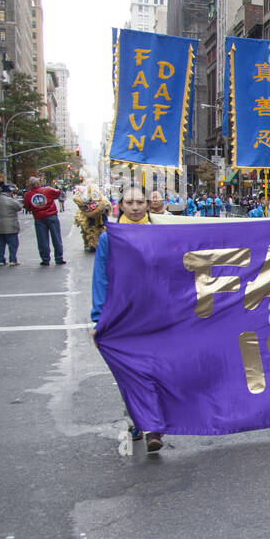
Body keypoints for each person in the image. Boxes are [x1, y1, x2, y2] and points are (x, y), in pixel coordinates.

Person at [92, 185, 165, 454]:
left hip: (158, 315)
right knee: (130, 371)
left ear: (148, 205)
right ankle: (141, 422)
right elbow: (101, 280)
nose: (135, 207)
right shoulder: (108, 239)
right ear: (120, 206)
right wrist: (98, 320)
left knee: (156, 369)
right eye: (129, 202)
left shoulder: (161, 233)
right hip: (123, 316)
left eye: (140, 202)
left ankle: (153, 424)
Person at [23, 176, 65, 266]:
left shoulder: (28, 195)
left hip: (39, 218)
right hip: (52, 215)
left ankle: (45, 259)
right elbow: (58, 193)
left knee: (42, 240)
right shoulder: (47, 190)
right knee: (56, 238)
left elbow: (27, 207)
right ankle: (59, 258)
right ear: (38, 183)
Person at [0, 184, 24, 266]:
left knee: (0, 244)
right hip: (10, 225)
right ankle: (13, 260)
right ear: (9, 192)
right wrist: (14, 199)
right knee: (13, 244)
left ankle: (1, 260)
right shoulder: (10, 200)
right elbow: (19, 207)